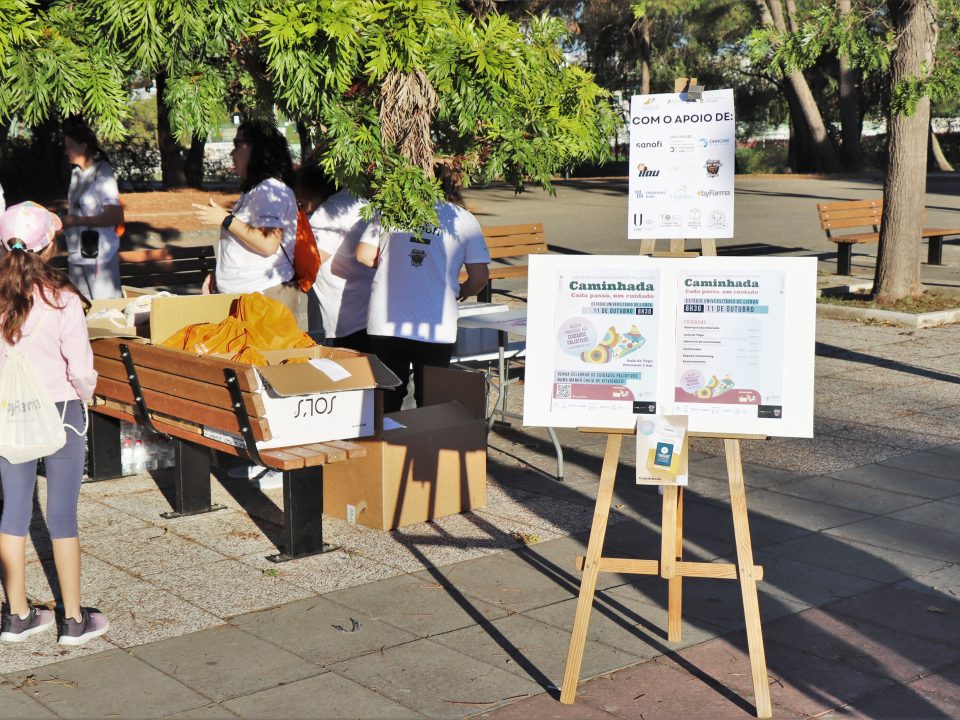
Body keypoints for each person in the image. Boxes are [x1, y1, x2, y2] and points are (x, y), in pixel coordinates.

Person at [0, 202, 108, 646]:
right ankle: (73, 620)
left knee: (13, 509)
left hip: (9, 412)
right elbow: (80, 368)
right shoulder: (63, 298)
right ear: (50, 246)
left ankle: (18, 615)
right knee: (62, 514)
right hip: (61, 410)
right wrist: (88, 394)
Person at [356, 169, 490, 412]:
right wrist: (463, 291)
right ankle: (422, 437)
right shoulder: (463, 218)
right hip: (436, 325)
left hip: (385, 322)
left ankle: (385, 437)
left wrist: (394, 266)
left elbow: (364, 255)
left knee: (386, 400)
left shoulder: (390, 210)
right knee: (431, 403)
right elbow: (480, 278)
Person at [193, 121, 299, 318]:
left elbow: (267, 244)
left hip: (263, 299)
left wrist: (226, 219)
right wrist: (218, 275)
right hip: (245, 297)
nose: (232, 152)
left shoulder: (270, 190)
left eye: (237, 144)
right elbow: (243, 243)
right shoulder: (256, 190)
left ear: (257, 148)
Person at [295, 166, 374, 352]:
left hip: (343, 319)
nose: (300, 205)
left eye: (301, 200)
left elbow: (310, 262)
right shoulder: (359, 202)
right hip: (367, 311)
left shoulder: (327, 212)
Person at [60, 119, 125, 300]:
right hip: (76, 254)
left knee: (105, 309)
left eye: (69, 147)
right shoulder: (76, 174)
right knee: (81, 308)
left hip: (99, 256)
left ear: (83, 146)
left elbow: (114, 215)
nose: (66, 152)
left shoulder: (103, 172)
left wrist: (75, 221)